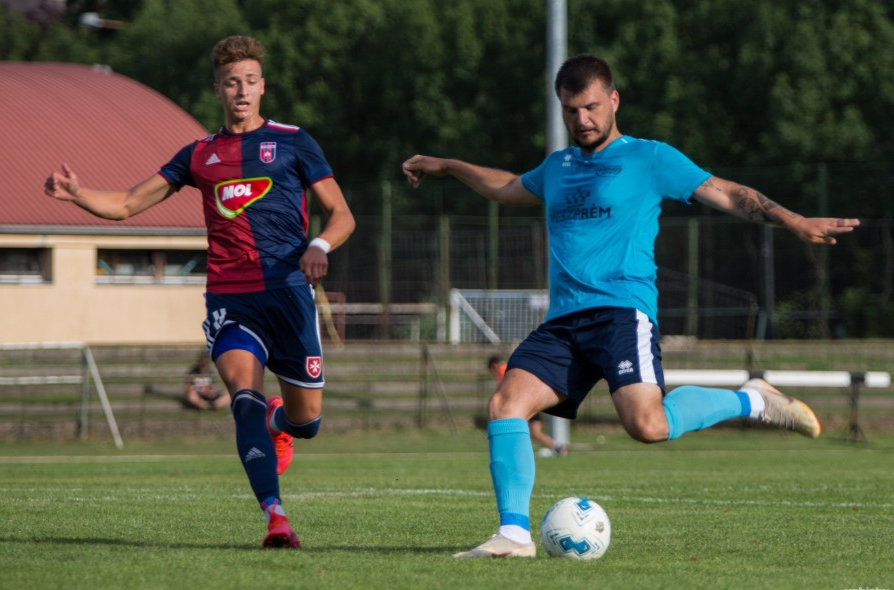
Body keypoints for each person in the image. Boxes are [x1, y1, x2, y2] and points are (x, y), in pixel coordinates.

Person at [402, 54, 859, 559]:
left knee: (648, 427)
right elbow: (509, 187)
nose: (583, 120)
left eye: (592, 107)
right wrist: (448, 166)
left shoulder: (650, 158)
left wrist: (794, 221)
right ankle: (513, 536)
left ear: (614, 100)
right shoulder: (558, 167)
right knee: (504, 405)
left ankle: (752, 398)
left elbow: (726, 193)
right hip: (563, 323)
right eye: (571, 110)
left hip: (622, 312)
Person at [45, 35, 355, 549]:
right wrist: (77, 194)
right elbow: (125, 204)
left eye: (250, 81)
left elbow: (342, 214)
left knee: (307, 423)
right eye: (232, 82)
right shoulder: (199, 155)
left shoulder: (296, 142)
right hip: (231, 298)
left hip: (289, 294)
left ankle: (282, 420)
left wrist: (319, 244)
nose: (241, 90)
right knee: (242, 401)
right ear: (218, 89)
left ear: (262, 87)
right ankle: (276, 519)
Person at [488, 355, 566, 457]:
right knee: (533, 433)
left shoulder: (503, 371)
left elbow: (506, 389)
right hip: (529, 401)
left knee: (527, 432)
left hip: (522, 404)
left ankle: (557, 447)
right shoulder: (512, 367)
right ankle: (557, 447)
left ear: (494, 366)